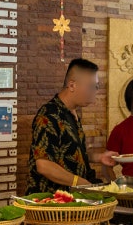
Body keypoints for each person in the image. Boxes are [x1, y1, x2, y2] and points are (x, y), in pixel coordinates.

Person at [27, 58, 117, 195]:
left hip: (74, 198)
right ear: (72, 85)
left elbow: (70, 152)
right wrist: (81, 183)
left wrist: (98, 157)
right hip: (52, 202)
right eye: (91, 86)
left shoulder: (72, 112)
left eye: (96, 86)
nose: (95, 92)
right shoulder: (49, 115)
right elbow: (44, 165)